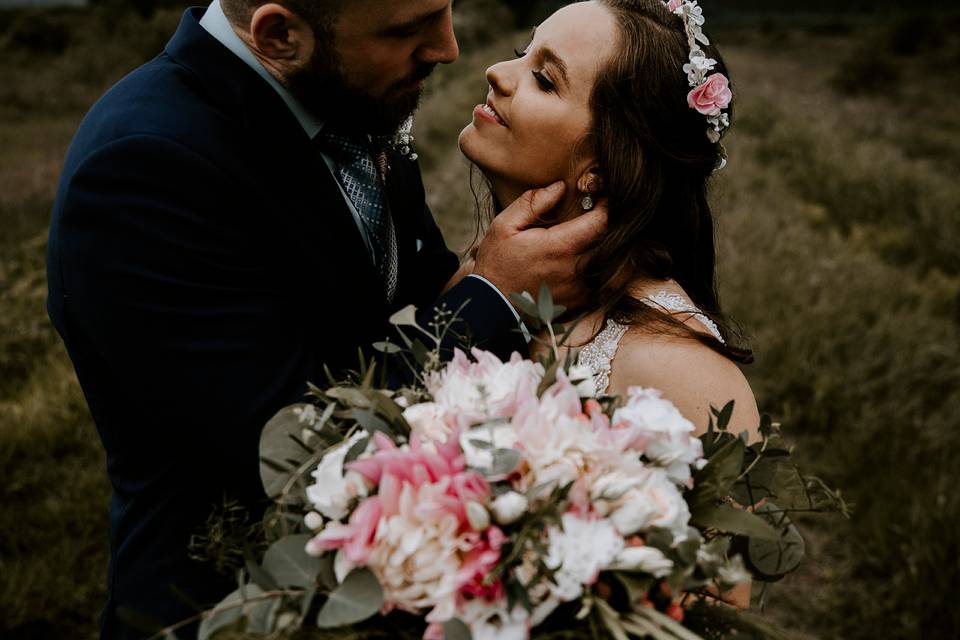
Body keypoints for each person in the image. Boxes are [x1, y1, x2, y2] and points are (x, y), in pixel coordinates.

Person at [45, 0, 605, 637]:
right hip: (236, 607)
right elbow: (293, 450)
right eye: (408, 30)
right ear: (280, 35)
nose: (447, 47)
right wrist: (495, 295)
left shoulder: (339, 96)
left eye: (444, 11)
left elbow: (407, 305)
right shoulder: (143, 168)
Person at [460, 0, 761, 438]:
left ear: (601, 167)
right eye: (523, 51)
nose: (497, 71)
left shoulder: (676, 368)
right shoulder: (484, 278)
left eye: (543, 79)